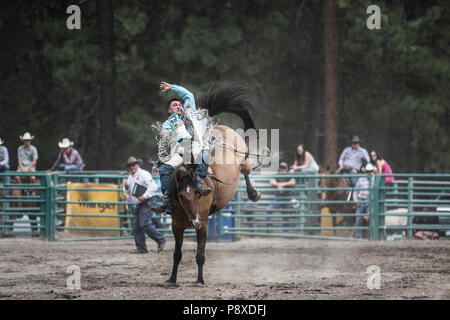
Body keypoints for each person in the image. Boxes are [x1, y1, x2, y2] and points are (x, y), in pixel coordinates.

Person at [154, 81, 211, 214]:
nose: (178, 106)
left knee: (202, 149)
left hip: (195, 146)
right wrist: (160, 159)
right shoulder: (168, 124)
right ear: (169, 110)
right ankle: (167, 199)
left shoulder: (190, 114)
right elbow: (163, 143)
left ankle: (199, 181)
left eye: (180, 104)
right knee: (164, 169)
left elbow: (188, 95)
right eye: (175, 105)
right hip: (178, 153)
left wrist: (171, 87)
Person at [123, 157, 166, 254]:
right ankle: (141, 248)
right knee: (136, 227)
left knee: (143, 224)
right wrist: (126, 188)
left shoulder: (143, 174)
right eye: (130, 166)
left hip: (147, 201)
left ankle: (161, 239)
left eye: (133, 165)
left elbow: (153, 186)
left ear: (137, 165)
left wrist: (145, 195)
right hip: (139, 203)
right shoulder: (131, 176)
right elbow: (128, 191)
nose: (132, 167)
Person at [267, 162, 295, 232]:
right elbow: (271, 181)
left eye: (284, 168)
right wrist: (278, 184)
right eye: (281, 168)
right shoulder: (277, 175)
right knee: (269, 210)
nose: (282, 169)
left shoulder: (289, 175)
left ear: (286, 169)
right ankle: (269, 229)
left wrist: (283, 184)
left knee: (286, 216)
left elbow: (293, 182)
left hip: (287, 198)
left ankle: (286, 232)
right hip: (278, 198)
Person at [353, 163, 376, 239]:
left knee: (372, 219)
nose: (369, 173)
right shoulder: (361, 179)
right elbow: (355, 192)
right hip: (361, 201)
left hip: (370, 202)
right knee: (359, 219)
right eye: (368, 171)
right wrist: (356, 201)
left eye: (370, 171)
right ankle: (358, 236)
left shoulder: (374, 179)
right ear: (365, 172)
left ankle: (371, 236)